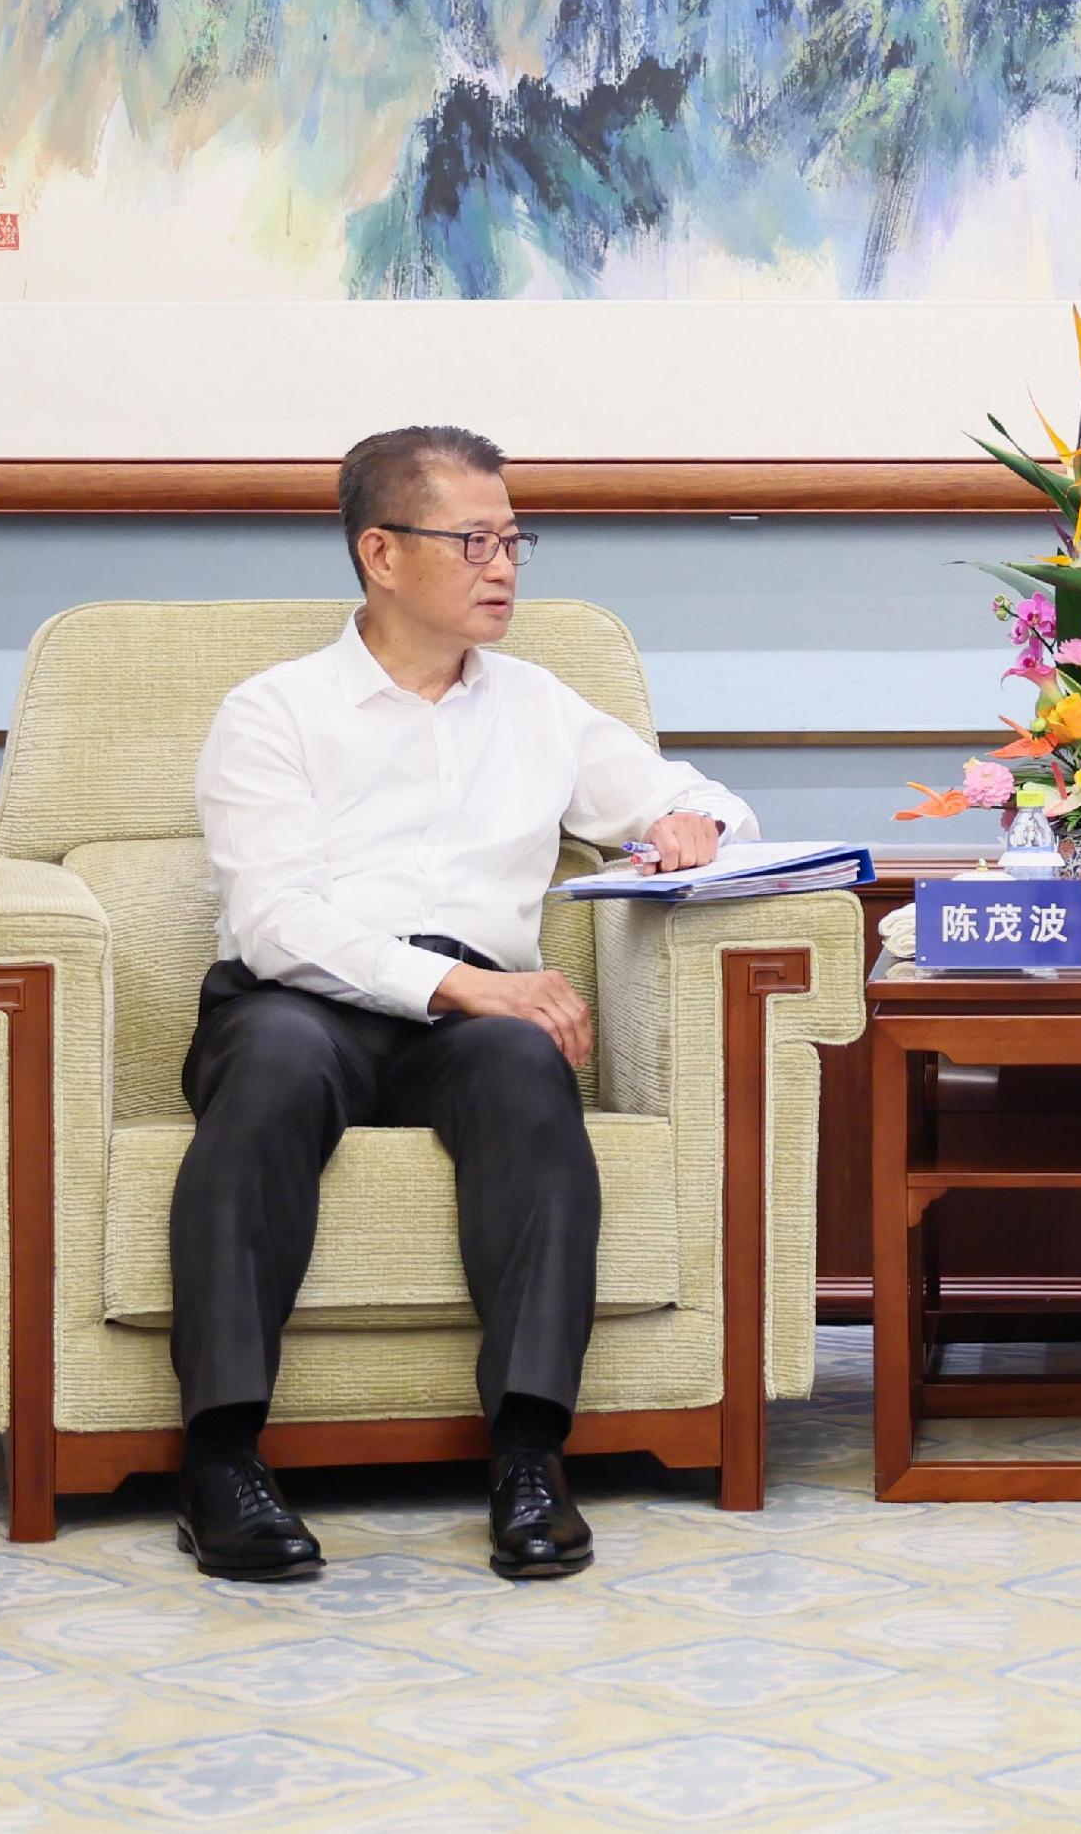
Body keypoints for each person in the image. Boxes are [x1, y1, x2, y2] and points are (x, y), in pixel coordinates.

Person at [166, 424, 751, 1584]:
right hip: (300, 1001)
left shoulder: (538, 706)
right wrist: (466, 984)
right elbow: (278, 923)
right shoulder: (274, 712)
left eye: (513, 539)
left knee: (529, 1071)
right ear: (381, 554)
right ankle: (222, 1459)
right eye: (473, 540)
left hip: (469, 1029)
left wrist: (694, 826)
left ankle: (531, 1458)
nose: (504, 566)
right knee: (277, 1062)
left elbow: (696, 796)